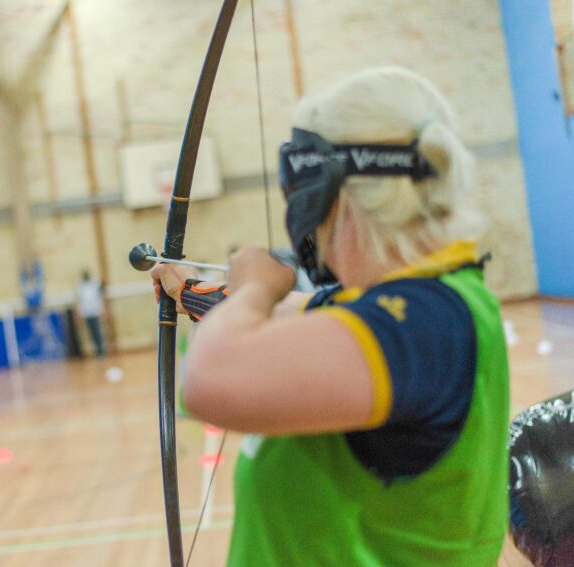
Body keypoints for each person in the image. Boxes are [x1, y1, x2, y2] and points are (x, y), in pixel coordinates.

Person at [150, 67, 509, 566]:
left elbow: (208, 381)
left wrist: (254, 287)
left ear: (329, 194)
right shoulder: (398, 309)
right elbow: (288, 315)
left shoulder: (426, 321)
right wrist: (188, 289)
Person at [75, 270, 106, 357]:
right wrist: (79, 314)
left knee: (98, 332)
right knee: (91, 333)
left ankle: (101, 350)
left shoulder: (95, 284)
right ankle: (97, 350)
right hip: (87, 313)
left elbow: (101, 295)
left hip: (95, 312)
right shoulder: (80, 287)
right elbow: (79, 301)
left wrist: (103, 311)